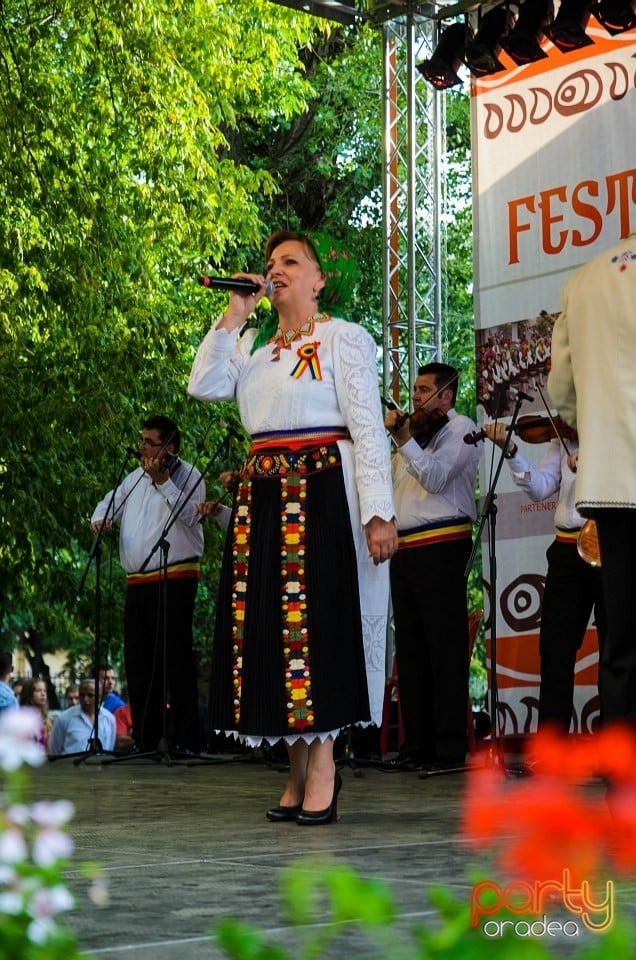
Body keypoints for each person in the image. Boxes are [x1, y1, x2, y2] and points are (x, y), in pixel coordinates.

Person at [188, 229, 396, 825]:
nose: (275, 270)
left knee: (319, 628)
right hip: (264, 494)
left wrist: (379, 512)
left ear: (317, 278)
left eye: (290, 262)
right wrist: (234, 313)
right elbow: (203, 386)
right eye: (271, 263)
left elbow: (367, 427)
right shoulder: (253, 348)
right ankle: (298, 765)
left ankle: (325, 764)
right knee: (277, 637)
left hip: (322, 489)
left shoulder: (343, 338)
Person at [548, 235, 636, 727]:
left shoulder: (583, 280)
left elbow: (560, 390)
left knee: (619, 640)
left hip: (612, 485)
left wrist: (600, 426)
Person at [385, 362, 480, 772]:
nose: (416, 399)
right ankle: (414, 747)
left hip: (442, 545)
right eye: (415, 390)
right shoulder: (414, 434)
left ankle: (447, 748)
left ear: (447, 396)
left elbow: (437, 479)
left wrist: (405, 440)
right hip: (403, 549)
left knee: (443, 649)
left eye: (424, 391)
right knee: (411, 652)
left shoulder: (460, 429)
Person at [90, 415, 205, 753]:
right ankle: (147, 737)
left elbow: (191, 516)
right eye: (141, 441)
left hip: (175, 577)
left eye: (149, 442)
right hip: (138, 581)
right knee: (140, 663)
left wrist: (164, 481)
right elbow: (108, 501)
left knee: (175, 660)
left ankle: (185, 739)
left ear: (169, 447)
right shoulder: (134, 477)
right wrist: (101, 519)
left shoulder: (190, 475)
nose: (141, 448)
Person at [482, 422, 605, 731]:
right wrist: (511, 451)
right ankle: (553, 748)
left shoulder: (618, 430)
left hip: (608, 547)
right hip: (566, 550)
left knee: (614, 647)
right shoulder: (564, 439)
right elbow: (539, 488)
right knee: (555, 649)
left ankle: (615, 747)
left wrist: (594, 459)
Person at [48, 679, 116, 755]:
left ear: (100, 697)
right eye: (82, 695)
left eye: (90, 695)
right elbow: (54, 751)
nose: (85, 699)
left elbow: (110, 748)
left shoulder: (109, 718)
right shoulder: (63, 718)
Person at [19, 678, 54, 748]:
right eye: (38, 690)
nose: (43, 694)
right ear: (29, 693)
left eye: (44, 690)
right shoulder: (21, 717)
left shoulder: (47, 717)